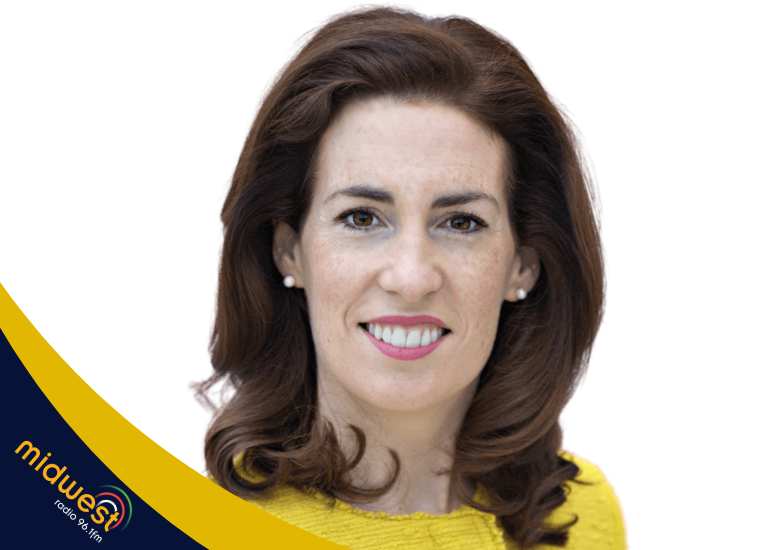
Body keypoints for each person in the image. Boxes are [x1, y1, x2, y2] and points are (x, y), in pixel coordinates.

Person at [201, 7, 625, 549]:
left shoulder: (583, 517)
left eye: (461, 223)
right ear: (288, 252)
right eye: (361, 218)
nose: (411, 277)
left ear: (524, 265)